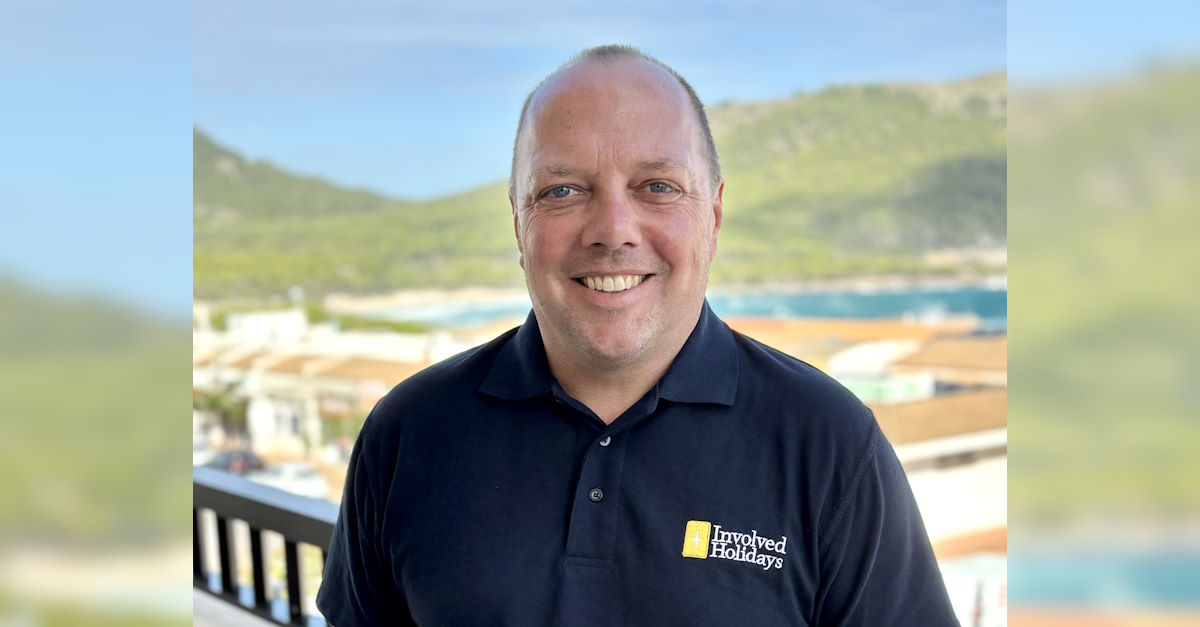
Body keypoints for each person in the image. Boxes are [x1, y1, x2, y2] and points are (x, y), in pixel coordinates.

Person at [316, 45, 958, 626]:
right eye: (563, 191)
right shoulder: (407, 431)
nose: (613, 230)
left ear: (713, 215)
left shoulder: (830, 443)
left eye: (657, 187)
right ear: (518, 224)